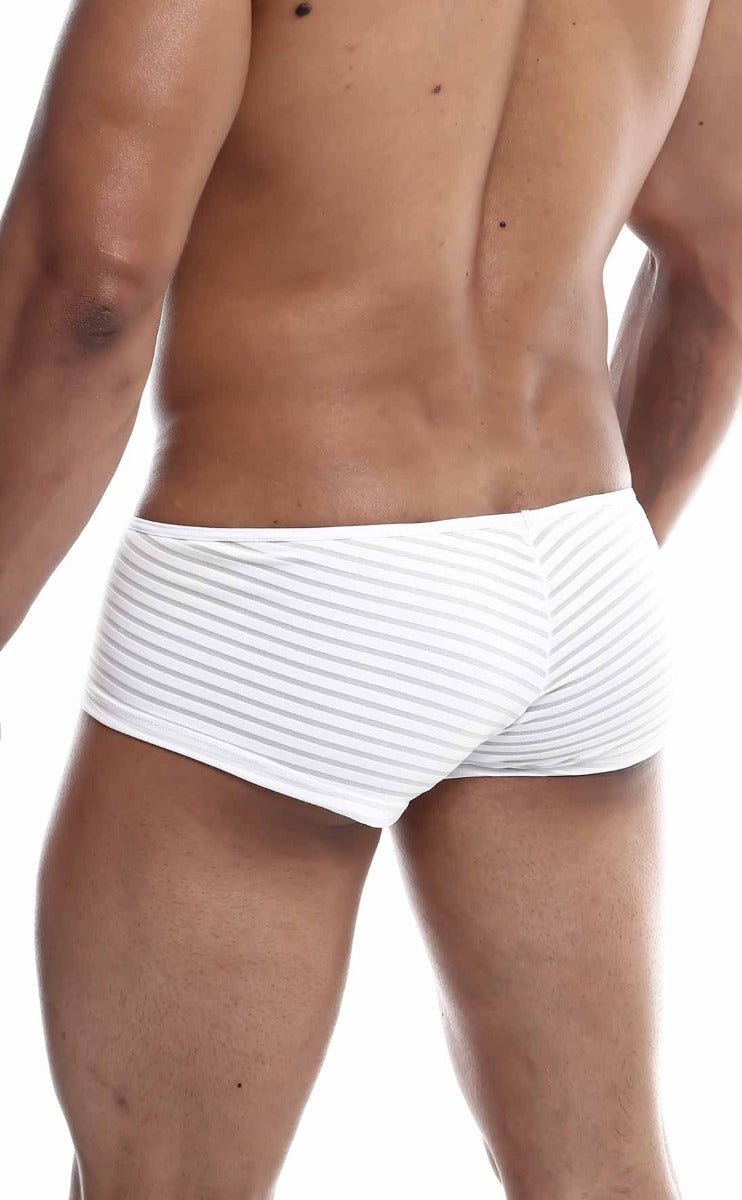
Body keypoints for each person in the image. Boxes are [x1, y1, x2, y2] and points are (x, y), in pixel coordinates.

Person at [0, 0, 739, 1196]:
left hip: (288, 590)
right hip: (579, 570)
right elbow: (721, 256)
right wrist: (540, 586)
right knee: (606, 1178)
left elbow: (90, 286)